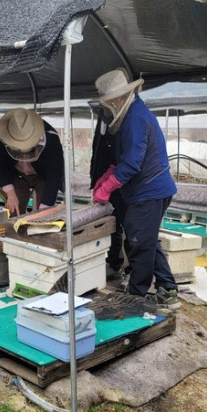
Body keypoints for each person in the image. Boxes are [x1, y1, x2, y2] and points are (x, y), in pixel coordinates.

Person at [92, 69, 180, 309]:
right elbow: (126, 157)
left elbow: (132, 162)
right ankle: (168, 290)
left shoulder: (136, 117)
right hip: (153, 189)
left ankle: (135, 297)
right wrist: (108, 173)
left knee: (139, 243)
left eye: (110, 101)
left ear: (118, 98)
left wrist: (108, 186)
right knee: (148, 241)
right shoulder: (134, 113)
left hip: (149, 191)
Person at [0, 108, 64, 216]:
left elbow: (55, 173)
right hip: (18, 175)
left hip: (42, 175)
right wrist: (10, 194)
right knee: (14, 210)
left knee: (43, 214)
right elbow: (0, 165)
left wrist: (45, 207)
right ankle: (15, 231)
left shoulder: (51, 138)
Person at [90, 103, 130, 281]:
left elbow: (125, 162)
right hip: (110, 181)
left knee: (130, 227)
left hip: (124, 184)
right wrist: (98, 180)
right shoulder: (103, 123)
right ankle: (114, 263)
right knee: (112, 226)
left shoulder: (126, 123)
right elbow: (99, 153)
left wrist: (108, 183)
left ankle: (132, 270)